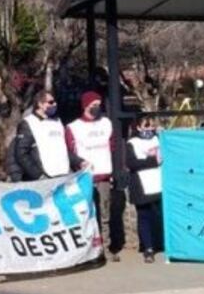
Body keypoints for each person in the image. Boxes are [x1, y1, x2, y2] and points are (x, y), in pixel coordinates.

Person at [66, 91, 125, 261]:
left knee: (105, 212)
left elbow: (113, 147)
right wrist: (79, 164)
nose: (97, 107)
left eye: (99, 104)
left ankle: (105, 247)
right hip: (85, 177)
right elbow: (70, 151)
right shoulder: (73, 127)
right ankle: (89, 248)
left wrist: (115, 170)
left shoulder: (106, 123)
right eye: (93, 104)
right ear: (85, 105)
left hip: (104, 174)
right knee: (87, 213)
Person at [10, 90, 85, 182]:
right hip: (44, 178)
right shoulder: (28, 123)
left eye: (55, 102)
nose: (54, 104)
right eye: (50, 102)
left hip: (63, 174)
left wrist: (80, 161)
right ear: (40, 104)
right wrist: (37, 175)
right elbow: (21, 154)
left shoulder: (57, 122)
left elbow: (63, 149)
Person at [126, 117, 164, 263]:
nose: (149, 128)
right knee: (144, 217)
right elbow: (131, 163)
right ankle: (148, 247)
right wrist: (153, 161)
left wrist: (162, 134)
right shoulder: (132, 143)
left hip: (158, 183)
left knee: (158, 216)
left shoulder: (158, 139)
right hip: (141, 185)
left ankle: (159, 242)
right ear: (138, 127)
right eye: (146, 125)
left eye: (152, 125)